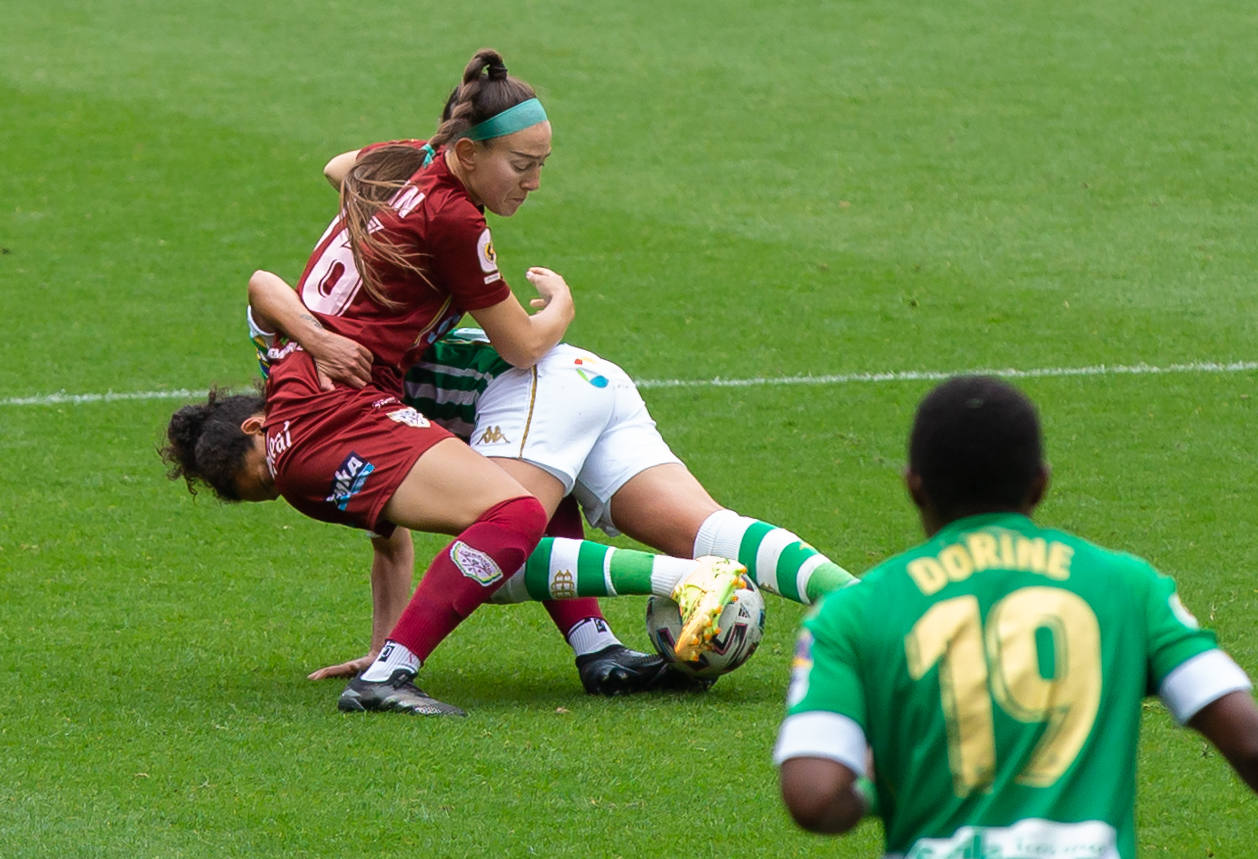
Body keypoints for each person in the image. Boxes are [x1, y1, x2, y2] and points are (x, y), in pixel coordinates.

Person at [247, 273, 858, 678]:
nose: (287, 480)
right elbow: (388, 538)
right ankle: (871, 608)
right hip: (585, 380)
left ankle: (685, 582)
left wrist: (313, 338)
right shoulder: (325, 420)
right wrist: (382, 640)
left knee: (499, 548)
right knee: (707, 529)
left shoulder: (295, 373)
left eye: (266, 472)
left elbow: (264, 289)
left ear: (255, 423)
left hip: (529, 386)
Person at [222, 48, 587, 717]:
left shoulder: (405, 158)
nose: (534, 181)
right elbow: (523, 343)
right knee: (514, 511)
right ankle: (392, 674)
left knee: (541, 460)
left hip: (311, 415)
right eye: (523, 164)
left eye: (542, 165)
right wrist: (562, 305)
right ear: (470, 152)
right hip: (341, 413)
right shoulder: (453, 216)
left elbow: (340, 168)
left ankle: (595, 647)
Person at [774, 376, 1258, 856]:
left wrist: (883, 783)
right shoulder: (1131, 588)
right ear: (1040, 483)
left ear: (914, 487)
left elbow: (813, 797)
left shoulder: (851, 613)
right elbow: (1248, 738)